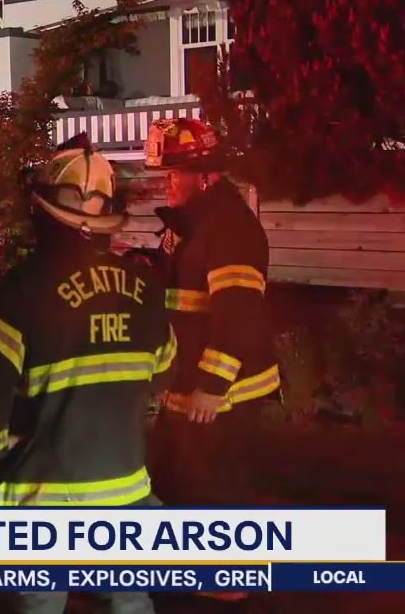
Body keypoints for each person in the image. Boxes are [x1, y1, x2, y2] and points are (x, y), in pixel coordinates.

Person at [0, 135, 177, 614]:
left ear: (43, 212)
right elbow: (162, 373)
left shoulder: (23, 289)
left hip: (44, 494)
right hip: (124, 487)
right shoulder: (145, 286)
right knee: (131, 602)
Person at [143, 117, 282, 544]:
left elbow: (238, 313)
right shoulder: (190, 224)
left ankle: (223, 577)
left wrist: (212, 386)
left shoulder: (230, 228)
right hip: (184, 386)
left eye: (173, 174)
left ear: (205, 176)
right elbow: (175, 283)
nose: (165, 183)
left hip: (221, 399)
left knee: (211, 498)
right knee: (172, 488)